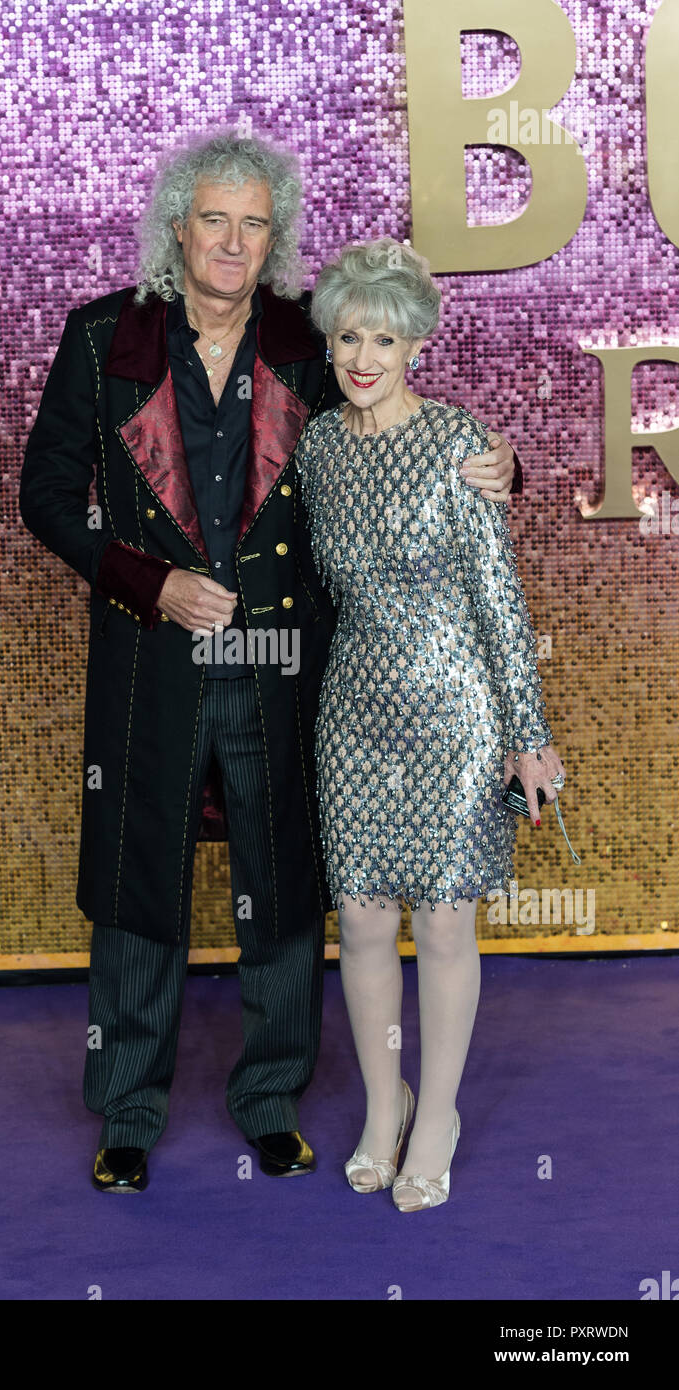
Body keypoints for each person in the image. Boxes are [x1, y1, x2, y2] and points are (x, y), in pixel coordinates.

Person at [19, 133, 521, 1193]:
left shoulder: (309, 338)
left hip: (290, 664)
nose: (234, 241)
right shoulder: (103, 335)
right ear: (177, 225)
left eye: (255, 222)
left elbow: (401, 438)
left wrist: (499, 467)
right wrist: (147, 581)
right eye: (215, 219)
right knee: (136, 880)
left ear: (273, 234)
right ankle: (127, 1111)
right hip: (154, 656)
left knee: (283, 886)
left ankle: (270, 1098)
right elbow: (47, 497)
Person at [294, 238, 565, 1210]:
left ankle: (437, 1114)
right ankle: (382, 1105)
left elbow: (499, 601)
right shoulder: (318, 446)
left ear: (416, 344)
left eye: (383, 336)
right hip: (353, 709)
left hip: (455, 714)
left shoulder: (459, 444)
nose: (362, 356)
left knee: (445, 920)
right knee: (362, 921)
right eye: (346, 335)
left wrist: (525, 736)